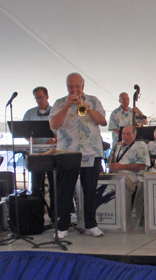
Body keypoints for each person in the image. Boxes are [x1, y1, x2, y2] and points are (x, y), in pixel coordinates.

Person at [49, 72, 107, 239]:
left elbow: (102, 121)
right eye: (70, 86)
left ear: (83, 86)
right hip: (67, 153)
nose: (74, 89)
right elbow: (53, 125)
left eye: (77, 86)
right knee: (65, 190)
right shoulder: (60, 103)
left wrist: (88, 108)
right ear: (67, 86)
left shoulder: (93, 100)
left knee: (90, 190)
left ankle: (91, 225)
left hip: (91, 152)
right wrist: (67, 106)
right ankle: (62, 226)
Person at [23, 86, 56, 216]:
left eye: (41, 97)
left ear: (47, 96)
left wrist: (52, 141)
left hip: (52, 153)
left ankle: (54, 215)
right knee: (37, 184)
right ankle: (37, 215)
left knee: (54, 184)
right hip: (36, 154)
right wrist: (32, 141)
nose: (39, 100)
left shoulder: (55, 111)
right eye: (36, 98)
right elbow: (24, 131)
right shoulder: (30, 113)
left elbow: (63, 130)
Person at [108, 125, 150, 194]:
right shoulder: (117, 146)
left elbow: (141, 166)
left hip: (133, 180)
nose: (124, 136)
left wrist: (120, 167)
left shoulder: (141, 145)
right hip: (117, 179)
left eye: (128, 134)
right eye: (123, 133)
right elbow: (110, 163)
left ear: (134, 135)